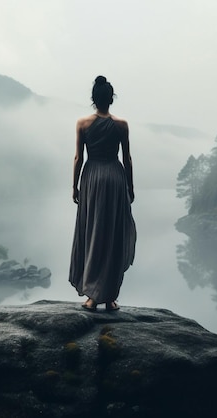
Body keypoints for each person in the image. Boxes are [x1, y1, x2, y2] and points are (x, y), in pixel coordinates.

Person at [69, 75, 136, 312]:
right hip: (115, 179)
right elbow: (126, 158)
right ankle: (109, 298)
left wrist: (74, 185)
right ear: (111, 99)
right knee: (112, 236)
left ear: (93, 99)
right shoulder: (121, 125)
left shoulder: (83, 124)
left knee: (93, 233)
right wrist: (130, 186)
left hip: (93, 180)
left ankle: (92, 297)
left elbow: (79, 158)